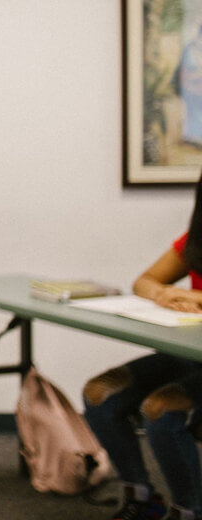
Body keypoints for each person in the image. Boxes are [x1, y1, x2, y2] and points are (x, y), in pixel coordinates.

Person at [84, 179, 202, 520]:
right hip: (191, 353)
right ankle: (142, 500)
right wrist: (163, 293)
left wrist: (193, 296)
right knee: (99, 394)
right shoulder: (194, 241)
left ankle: (189, 511)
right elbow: (144, 281)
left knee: (160, 408)